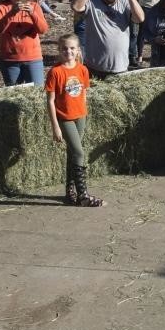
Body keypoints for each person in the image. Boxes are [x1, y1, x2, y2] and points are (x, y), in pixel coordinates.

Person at [45, 34, 103, 207]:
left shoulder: (82, 69)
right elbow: (50, 101)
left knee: (73, 153)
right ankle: (83, 195)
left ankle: (69, 192)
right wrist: (55, 126)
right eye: (64, 48)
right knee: (79, 153)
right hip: (65, 118)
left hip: (80, 117)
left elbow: (84, 92)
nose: (68, 51)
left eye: (72, 48)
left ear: (78, 50)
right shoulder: (55, 72)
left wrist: (84, 113)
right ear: (59, 50)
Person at [71, 0, 144, 78]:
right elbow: (76, 6)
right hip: (95, 68)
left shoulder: (124, 4)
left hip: (120, 68)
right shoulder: (92, 2)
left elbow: (140, 18)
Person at [0, 0, 49, 86]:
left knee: (36, 92)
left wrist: (32, 13)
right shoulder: (2, 7)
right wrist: (11, 13)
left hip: (33, 58)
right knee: (15, 93)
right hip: (10, 59)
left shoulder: (34, 5)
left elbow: (43, 30)